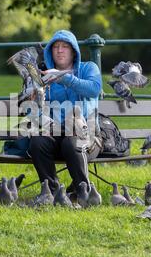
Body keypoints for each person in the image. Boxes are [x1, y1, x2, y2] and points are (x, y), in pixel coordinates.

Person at [27, 29, 102, 194]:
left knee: (72, 142)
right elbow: (32, 113)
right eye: (55, 47)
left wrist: (63, 77)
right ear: (50, 52)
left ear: (74, 51)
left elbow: (94, 89)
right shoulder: (42, 74)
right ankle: (52, 193)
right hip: (55, 133)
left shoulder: (89, 68)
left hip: (86, 135)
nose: (59, 50)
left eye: (65, 47)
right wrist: (31, 102)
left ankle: (84, 192)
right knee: (38, 142)